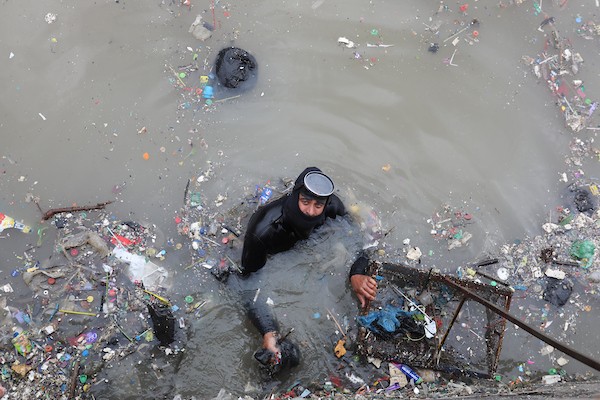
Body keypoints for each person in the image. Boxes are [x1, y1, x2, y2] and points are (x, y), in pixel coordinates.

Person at [239, 166, 346, 371]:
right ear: (296, 195)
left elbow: (350, 224)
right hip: (270, 249)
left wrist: (345, 252)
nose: (310, 211)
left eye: (318, 205)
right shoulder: (263, 231)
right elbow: (248, 283)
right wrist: (268, 331)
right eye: (305, 202)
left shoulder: (330, 206)